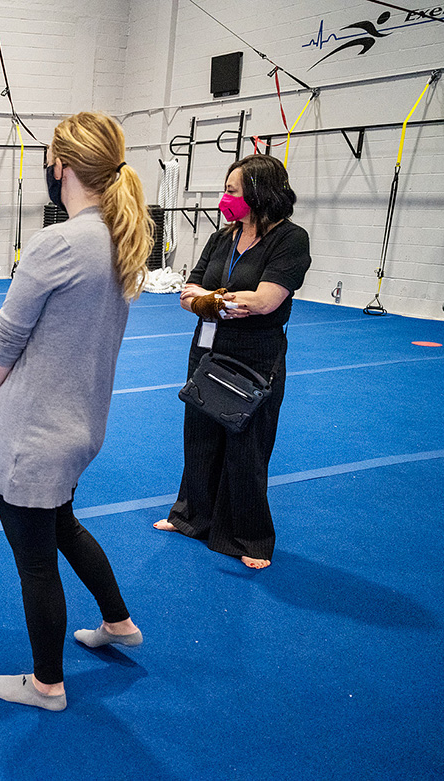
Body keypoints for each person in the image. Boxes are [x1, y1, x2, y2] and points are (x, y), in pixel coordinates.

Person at [0, 112, 151, 711]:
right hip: (80, 424)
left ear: (62, 167)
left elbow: (5, 340)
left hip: (35, 432)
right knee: (63, 526)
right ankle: (118, 621)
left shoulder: (60, 243)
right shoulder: (122, 240)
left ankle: (47, 683)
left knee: (35, 560)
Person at [154, 154, 311, 570]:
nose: (225, 197)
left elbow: (265, 300)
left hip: (256, 355)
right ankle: (191, 516)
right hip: (208, 348)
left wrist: (211, 300)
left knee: (247, 445)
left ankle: (249, 536)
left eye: (231, 191)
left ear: (259, 195)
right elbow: (189, 290)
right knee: (200, 434)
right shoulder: (224, 237)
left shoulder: (290, 239)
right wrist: (214, 301)